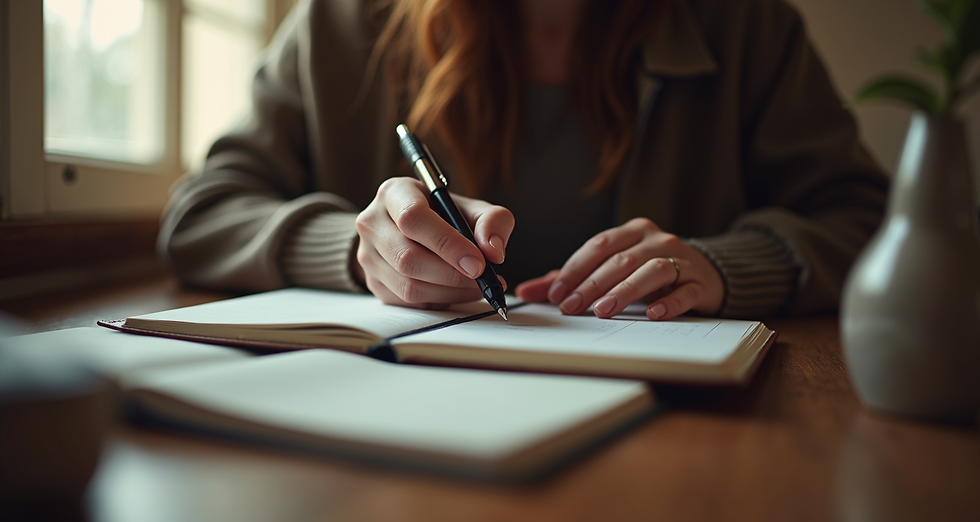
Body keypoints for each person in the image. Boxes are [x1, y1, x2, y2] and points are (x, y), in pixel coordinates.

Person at [158, 0, 888, 321]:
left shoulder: (750, 26)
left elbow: (871, 223)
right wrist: (356, 253)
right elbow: (201, 212)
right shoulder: (342, 20)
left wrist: (726, 266)